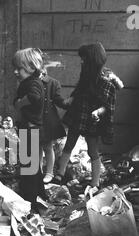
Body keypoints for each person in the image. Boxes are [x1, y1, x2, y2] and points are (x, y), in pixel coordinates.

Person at [52, 42, 122, 197]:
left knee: (93, 151)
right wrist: (70, 99)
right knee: (68, 144)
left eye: (84, 58)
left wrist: (98, 112)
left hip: (91, 120)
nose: (81, 61)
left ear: (92, 60)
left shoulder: (106, 81)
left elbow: (108, 105)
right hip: (78, 115)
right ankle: (60, 174)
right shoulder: (85, 76)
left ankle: (95, 182)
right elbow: (78, 93)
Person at [12, 48, 47, 206]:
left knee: (28, 166)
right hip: (30, 128)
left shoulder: (32, 83)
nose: (15, 72)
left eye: (19, 68)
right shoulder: (30, 82)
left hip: (31, 128)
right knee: (33, 164)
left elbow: (34, 97)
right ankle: (40, 193)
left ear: (31, 68)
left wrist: (20, 103)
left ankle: (29, 200)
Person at [39, 64, 70, 184]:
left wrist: (68, 103)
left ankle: (49, 172)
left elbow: (58, 100)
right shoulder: (29, 82)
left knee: (47, 146)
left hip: (48, 119)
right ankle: (38, 171)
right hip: (35, 118)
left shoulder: (53, 83)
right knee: (36, 147)